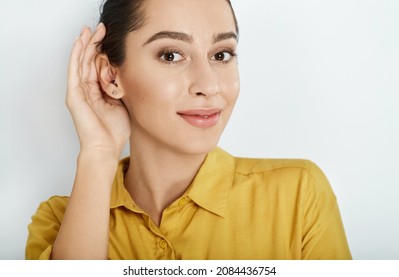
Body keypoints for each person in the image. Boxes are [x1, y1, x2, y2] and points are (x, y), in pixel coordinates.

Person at [25, 0, 351, 260]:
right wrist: (98, 153)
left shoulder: (298, 195)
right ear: (111, 77)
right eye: (171, 55)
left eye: (221, 54)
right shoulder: (58, 222)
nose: (209, 86)